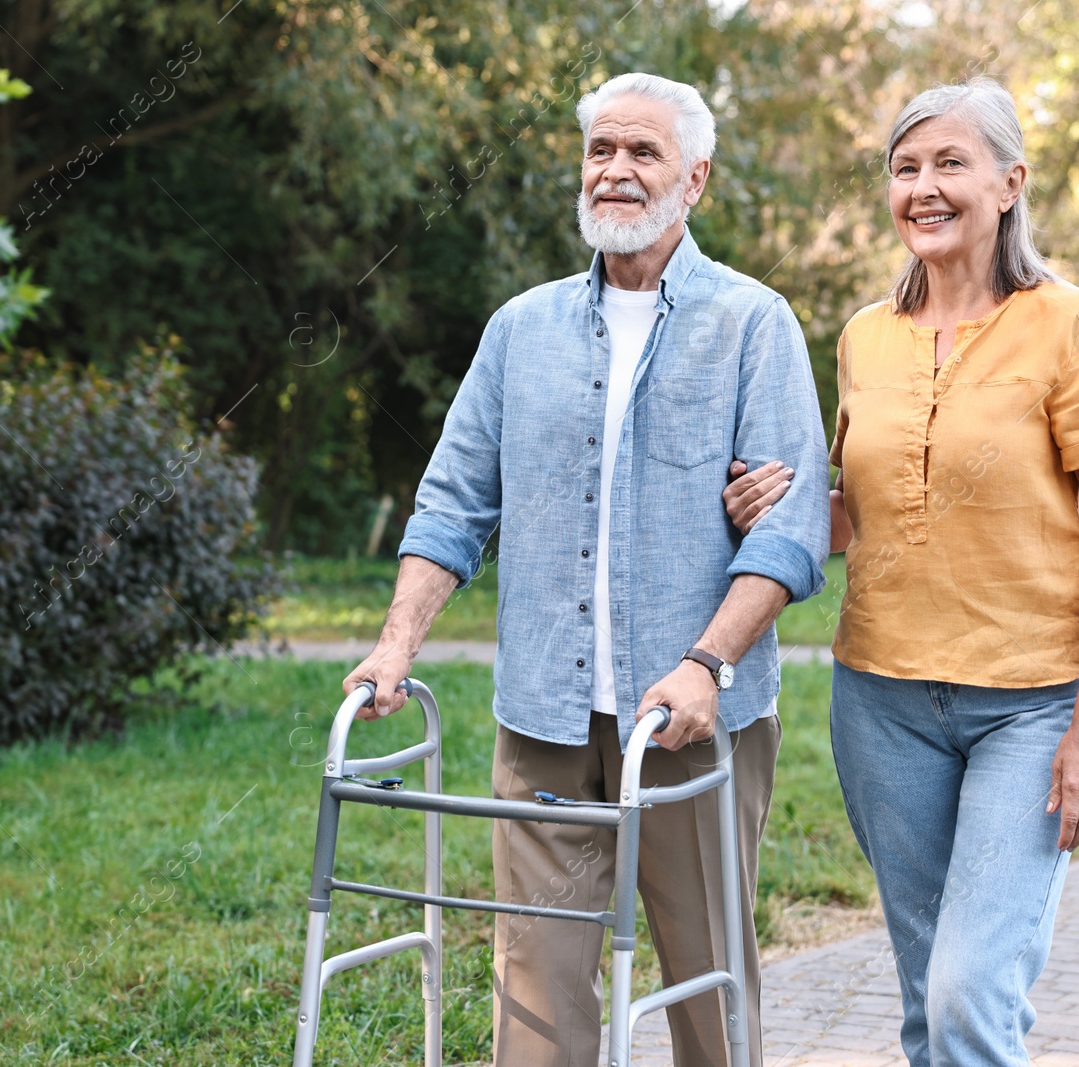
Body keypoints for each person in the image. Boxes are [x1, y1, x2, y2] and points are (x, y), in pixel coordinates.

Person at [342, 72, 831, 1066]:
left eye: (642, 152)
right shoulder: (520, 330)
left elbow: (786, 535)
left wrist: (706, 661)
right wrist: (395, 644)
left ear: (693, 178)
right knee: (536, 996)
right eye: (600, 150)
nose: (616, 170)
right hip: (544, 719)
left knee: (709, 992)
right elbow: (452, 500)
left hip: (693, 720)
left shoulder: (752, 323)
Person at [725, 77, 1079, 1065]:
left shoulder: (1069, 325)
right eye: (904, 166)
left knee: (967, 990)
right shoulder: (863, 338)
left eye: (949, 163)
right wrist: (774, 506)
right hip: (880, 701)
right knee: (929, 997)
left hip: (1030, 704)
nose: (923, 185)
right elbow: (861, 514)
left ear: (1009, 183)